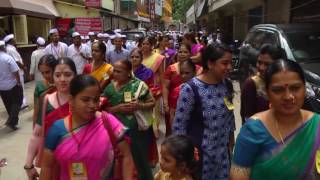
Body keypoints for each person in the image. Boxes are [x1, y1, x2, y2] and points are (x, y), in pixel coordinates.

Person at [230, 59, 320, 179]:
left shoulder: (316, 124)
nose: (288, 96)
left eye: (295, 88)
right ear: (267, 93)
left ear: (305, 89)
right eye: (278, 90)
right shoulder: (253, 130)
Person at [39, 75, 134, 179]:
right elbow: (46, 167)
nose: (93, 105)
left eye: (96, 100)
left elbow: (127, 156)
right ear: (71, 99)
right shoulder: (57, 130)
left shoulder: (108, 122)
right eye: (85, 100)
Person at [173, 44, 235, 180]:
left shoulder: (227, 85)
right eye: (224, 63)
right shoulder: (191, 89)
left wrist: (231, 143)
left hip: (222, 155)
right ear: (210, 63)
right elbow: (179, 126)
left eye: (231, 63)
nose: (229, 67)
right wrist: (183, 157)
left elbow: (230, 115)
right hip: (200, 156)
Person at [24, 57, 77, 180]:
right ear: (53, 77)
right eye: (58, 75)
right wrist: (28, 165)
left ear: (75, 75)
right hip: (51, 163)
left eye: (68, 75)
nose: (62, 79)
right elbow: (37, 134)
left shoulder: (83, 100)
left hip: (78, 161)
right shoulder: (46, 100)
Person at [103, 60, 155, 180]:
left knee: (138, 157)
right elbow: (103, 109)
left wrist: (139, 106)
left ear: (128, 72)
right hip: (115, 131)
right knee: (119, 159)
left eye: (119, 72)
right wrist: (117, 108)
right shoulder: (110, 87)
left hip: (136, 132)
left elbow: (152, 102)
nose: (115, 74)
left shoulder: (139, 85)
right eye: (114, 71)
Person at [240, 44, 286, 124]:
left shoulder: (285, 82)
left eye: (267, 64)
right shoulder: (251, 84)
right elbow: (248, 118)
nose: (261, 67)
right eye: (259, 62)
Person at [163, 44, 200, 136]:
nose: (182, 54)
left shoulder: (198, 69)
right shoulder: (171, 68)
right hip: (174, 101)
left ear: (190, 54)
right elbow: (165, 87)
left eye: (185, 52)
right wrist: (165, 103)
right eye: (180, 52)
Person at [141, 37, 165, 137]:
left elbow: (161, 75)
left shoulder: (158, 58)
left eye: (147, 44)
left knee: (154, 111)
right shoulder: (138, 57)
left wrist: (162, 89)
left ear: (152, 45)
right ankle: (145, 127)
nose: (145, 46)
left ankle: (154, 129)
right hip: (140, 87)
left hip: (153, 87)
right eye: (143, 44)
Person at [0, 40, 23, 130]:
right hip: (12, 85)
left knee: (8, 103)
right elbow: (15, 71)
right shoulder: (7, 58)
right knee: (17, 101)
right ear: (3, 48)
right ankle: (11, 121)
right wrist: (18, 82)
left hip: (1, 87)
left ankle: (12, 122)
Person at [4, 33, 28, 109]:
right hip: (18, 71)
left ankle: (18, 103)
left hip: (13, 71)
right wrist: (23, 67)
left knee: (16, 88)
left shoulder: (8, 48)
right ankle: (22, 104)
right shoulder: (11, 49)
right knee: (21, 87)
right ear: (11, 41)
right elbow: (17, 61)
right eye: (14, 39)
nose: (15, 40)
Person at [32, 54, 57, 127]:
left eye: (47, 72)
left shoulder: (63, 85)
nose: (45, 76)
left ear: (55, 69)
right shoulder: (40, 87)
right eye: (42, 73)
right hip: (46, 126)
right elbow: (36, 112)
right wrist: (35, 130)